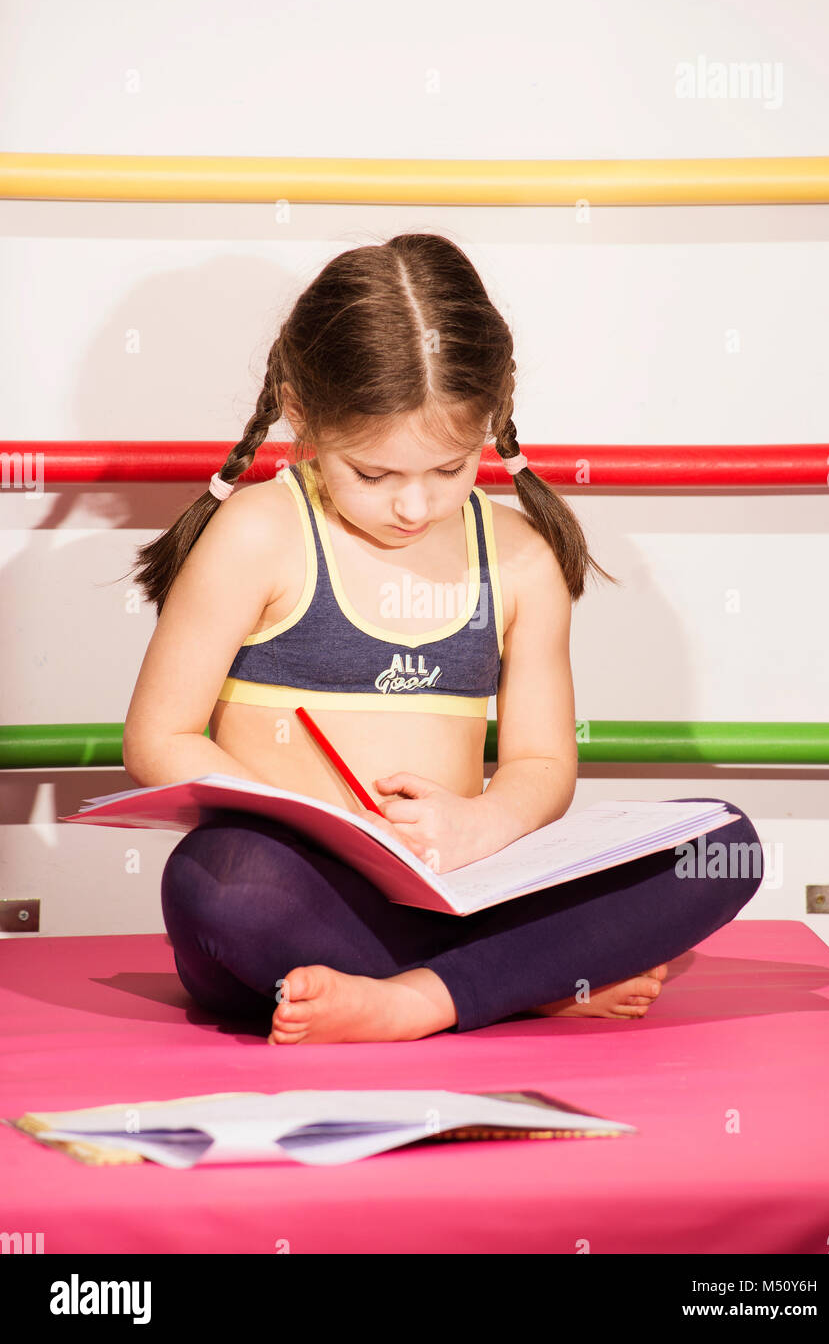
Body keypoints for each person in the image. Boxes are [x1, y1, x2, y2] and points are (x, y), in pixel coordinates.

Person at [121, 231, 763, 1044]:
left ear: (490, 423)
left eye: (450, 469)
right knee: (220, 881)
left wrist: (480, 826)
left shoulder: (521, 559)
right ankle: (516, 981)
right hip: (305, 898)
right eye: (374, 474)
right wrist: (330, 824)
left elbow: (539, 764)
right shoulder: (260, 534)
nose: (413, 508)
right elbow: (157, 737)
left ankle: (417, 1000)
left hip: (461, 890)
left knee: (718, 842)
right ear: (300, 414)